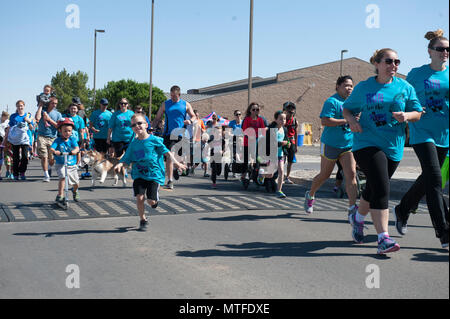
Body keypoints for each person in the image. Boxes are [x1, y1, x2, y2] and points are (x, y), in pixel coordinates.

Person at [343, 48, 423, 254]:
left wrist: (407, 115)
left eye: (397, 62)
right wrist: (352, 121)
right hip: (366, 142)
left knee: (373, 187)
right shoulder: (364, 87)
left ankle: (358, 219)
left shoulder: (405, 87)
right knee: (382, 185)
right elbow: (347, 108)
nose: (393, 65)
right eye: (389, 61)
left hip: (393, 146)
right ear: (377, 64)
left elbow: (418, 112)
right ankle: (383, 238)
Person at [395, 29, 449, 248]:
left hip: (444, 133)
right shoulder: (417, 74)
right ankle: (444, 232)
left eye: (448, 49)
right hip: (421, 131)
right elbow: (404, 97)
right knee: (436, 179)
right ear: (430, 51)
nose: (445, 52)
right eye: (440, 49)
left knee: (428, 178)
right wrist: (404, 113)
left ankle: (403, 208)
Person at [115, 114, 186, 231]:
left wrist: (177, 163)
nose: (137, 126)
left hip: (154, 175)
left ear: (146, 125)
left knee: (151, 202)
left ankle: (154, 201)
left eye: (139, 123)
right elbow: (126, 158)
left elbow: (167, 153)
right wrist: (120, 164)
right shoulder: (133, 144)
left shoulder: (154, 140)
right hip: (139, 174)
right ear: (132, 128)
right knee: (139, 197)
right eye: (134, 125)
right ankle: (143, 219)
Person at [304, 76, 359, 215]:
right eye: (346, 85)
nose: (349, 88)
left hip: (348, 145)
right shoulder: (332, 101)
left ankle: (352, 208)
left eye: (351, 86)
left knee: (351, 174)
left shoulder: (354, 102)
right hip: (331, 144)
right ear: (338, 86)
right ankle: (310, 195)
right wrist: (346, 120)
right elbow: (325, 121)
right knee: (325, 175)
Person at [152, 85, 196, 189]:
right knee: (169, 156)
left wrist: (190, 121)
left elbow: (194, 116)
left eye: (174, 96)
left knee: (178, 158)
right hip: (168, 134)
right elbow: (158, 118)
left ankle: (176, 168)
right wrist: (151, 129)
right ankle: (170, 180)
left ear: (179, 95)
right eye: (171, 95)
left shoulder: (185, 104)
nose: (172, 98)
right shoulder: (165, 104)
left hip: (182, 133)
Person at [50, 118, 80, 209]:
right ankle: (60, 195)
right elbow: (51, 148)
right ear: (60, 130)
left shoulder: (72, 139)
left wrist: (74, 151)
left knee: (76, 183)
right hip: (60, 163)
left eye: (69, 131)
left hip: (71, 164)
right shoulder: (57, 140)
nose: (67, 133)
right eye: (65, 131)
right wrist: (55, 152)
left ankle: (75, 191)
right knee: (63, 177)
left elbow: (77, 148)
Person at [259, 110, 289, 198]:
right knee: (270, 175)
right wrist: (281, 143)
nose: (283, 121)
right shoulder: (272, 129)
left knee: (281, 171)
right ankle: (261, 175)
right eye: (281, 119)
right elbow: (271, 143)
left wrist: (288, 143)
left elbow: (286, 139)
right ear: (276, 119)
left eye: (284, 119)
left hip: (280, 154)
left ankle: (279, 190)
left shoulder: (284, 129)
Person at [3, 100, 34, 180]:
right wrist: (6, 139)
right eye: (18, 106)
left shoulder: (28, 115)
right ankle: (15, 174)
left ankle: (22, 172)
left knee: (24, 157)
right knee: (16, 157)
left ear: (24, 106)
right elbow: (10, 128)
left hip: (24, 139)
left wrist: (28, 121)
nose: (20, 107)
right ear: (16, 107)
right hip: (15, 139)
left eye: (21, 106)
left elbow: (31, 128)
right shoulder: (13, 116)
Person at [35, 96, 63, 182]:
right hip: (42, 136)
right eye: (52, 103)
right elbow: (37, 118)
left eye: (56, 104)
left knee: (51, 158)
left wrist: (49, 119)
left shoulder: (58, 114)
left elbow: (59, 127)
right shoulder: (43, 111)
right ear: (48, 103)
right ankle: (46, 175)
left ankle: (50, 167)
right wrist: (40, 106)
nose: (54, 105)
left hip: (52, 137)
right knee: (44, 156)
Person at [241, 102, 267, 184]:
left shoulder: (261, 119)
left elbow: (263, 131)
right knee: (246, 161)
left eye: (257, 109)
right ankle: (243, 176)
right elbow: (245, 130)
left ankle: (260, 174)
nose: (255, 111)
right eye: (253, 109)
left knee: (260, 158)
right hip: (248, 142)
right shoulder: (247, 119)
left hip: (258, 142)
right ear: (250, 110)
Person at [283, 102, 299, 184]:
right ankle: (280, 176)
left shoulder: (295, 120)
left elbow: (296, 133)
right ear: (286, 111)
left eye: (292, 112)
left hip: (291, 141)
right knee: (282, 159)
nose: (291, 114)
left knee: (290, 161)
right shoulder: (283, 119)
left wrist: (296, 146)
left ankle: (287, 177)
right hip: (284, 141)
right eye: (289, 112)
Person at [0, 111, 10, 180]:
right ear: (2, 116)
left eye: (7, 117)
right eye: (5, 117)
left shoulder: (7, 122)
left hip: (6, 140)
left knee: (7, 156)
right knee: (0, 157)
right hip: (0, 139)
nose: (6, 118)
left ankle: (8, 171)